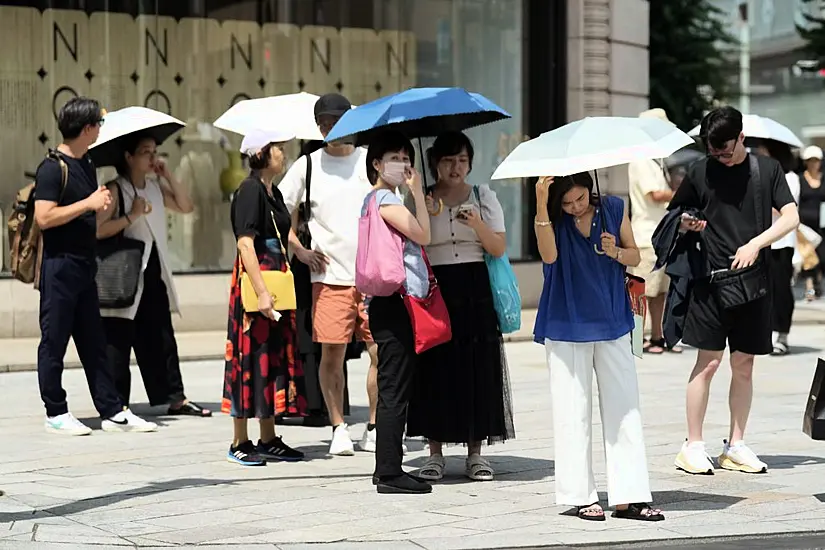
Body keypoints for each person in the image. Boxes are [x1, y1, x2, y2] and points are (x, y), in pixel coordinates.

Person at [667, 107, 798, 475]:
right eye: (713, 152)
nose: (720, 158)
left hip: (753, 281)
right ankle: (692, 446)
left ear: (741, 138)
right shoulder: (699, 171)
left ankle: (735, 444)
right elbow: (676, 215)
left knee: (744, 364)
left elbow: (790, 216)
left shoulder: (766, 171)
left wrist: (756, 243)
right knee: (707, 363)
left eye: (725, 151)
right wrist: (687, 223)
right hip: (710, 282)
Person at [533, 172, 663, 522]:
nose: (575, 207)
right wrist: (542, 205)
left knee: (625, 407)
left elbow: (635, 256)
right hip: (565, 320)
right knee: (571, 411)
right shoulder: (552, 218)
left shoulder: (613, 207)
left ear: (589, 189)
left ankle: (630, 496)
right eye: (567, 202)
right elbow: (547, 257)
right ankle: (580, 496)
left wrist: (616, 251)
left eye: (579, 198)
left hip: (613, 317)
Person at [33, 97, 157, 435]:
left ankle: (112, 409)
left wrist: (100, 207)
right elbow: (44, 217)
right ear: (87, 128)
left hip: (86, 266)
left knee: (94, 343)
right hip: (59, 268)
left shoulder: (86, 163)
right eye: (98, 124)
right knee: (54, 341)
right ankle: (55, 411)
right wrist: (87, 203)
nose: (101, 130)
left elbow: (85, 214)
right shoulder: (52, 167)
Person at [406, 132, 515, 482]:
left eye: (463, 160)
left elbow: (498, 247)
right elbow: (411, 243)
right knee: (434, 369)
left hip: (474, 288)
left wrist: (477, 224)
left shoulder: (484, 196)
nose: (456, 168)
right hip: (435, 289)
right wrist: (421, 205)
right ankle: (434, 452)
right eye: (449, 160)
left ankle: (475, 454)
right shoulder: (421, 199)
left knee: (477, 368)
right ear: (435, 163)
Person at [279, 93, 379, 456]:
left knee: (380, 353)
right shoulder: (306, 166)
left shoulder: (371, 161)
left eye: (338, 121)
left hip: (373, 277)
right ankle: (338, 426)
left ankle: (374, 425)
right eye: (325, 123)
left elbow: (394, 207)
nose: (331, 129)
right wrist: (299, 250)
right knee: (331, 355)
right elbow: (276, 212)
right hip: (328, 278)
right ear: (318, 127)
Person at [97, 134, 210, 416]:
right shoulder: (116, 189)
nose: (152, 157)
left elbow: (186, 206)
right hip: (124, 272)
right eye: (145, 152)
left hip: (153, 270)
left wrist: (168, 174)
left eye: (154, 151)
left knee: (161, 336)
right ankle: (117, 402)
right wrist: (131, 216)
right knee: (119, 338)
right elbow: (97, 230)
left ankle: (174, 397)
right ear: (128, 157)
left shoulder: (155, 188)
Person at [222, 128, 308, 466]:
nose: (283, 154)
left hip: (276, 280)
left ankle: (269, 436)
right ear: (260, 153)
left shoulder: (272, 192)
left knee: (271, 357)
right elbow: (245, 242)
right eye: (278, 149)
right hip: (257, 280)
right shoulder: (249, 190)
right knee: (249, 357)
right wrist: (260, 292)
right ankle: (239, 440)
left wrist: (301, 252)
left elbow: (283, 232)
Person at [361, 131, 432, 494]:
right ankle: (389, 472)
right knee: (394, 387)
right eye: (395, 157)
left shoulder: (370, 200)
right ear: (376, 163)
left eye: (407, 157)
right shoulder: (386, 198)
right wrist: (418, 192)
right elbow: (424, 234)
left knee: (394, 383)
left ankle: (386, 468)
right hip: (395, 301)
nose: (403, 164)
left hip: (384, 300)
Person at [628, 109, 682, 355]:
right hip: (646, 236)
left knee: (659, 292)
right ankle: (636, 339)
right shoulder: (641, 159)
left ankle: (657, 338)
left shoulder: (654, 160)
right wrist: (680, 192)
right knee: (641, 291)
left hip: (659, 235)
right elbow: (655, 195)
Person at [750, 139, 800, 356]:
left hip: (783, 242)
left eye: (762, 150)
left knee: (781, 289)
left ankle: (783, 334)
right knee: (764, 289)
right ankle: (768, 331)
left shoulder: (791, 178)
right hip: (762, 241)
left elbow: (786, 209)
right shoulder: (759, 177)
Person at [799, 145, 825, 302]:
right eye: (811, 161)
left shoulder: (824, 178)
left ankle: (819, 284)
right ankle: (809, 289)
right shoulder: (800, 179)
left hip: (822, 225)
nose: (814, 164)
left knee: (822, 257)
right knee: (808, 257)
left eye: (816, 161)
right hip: (805, 225)